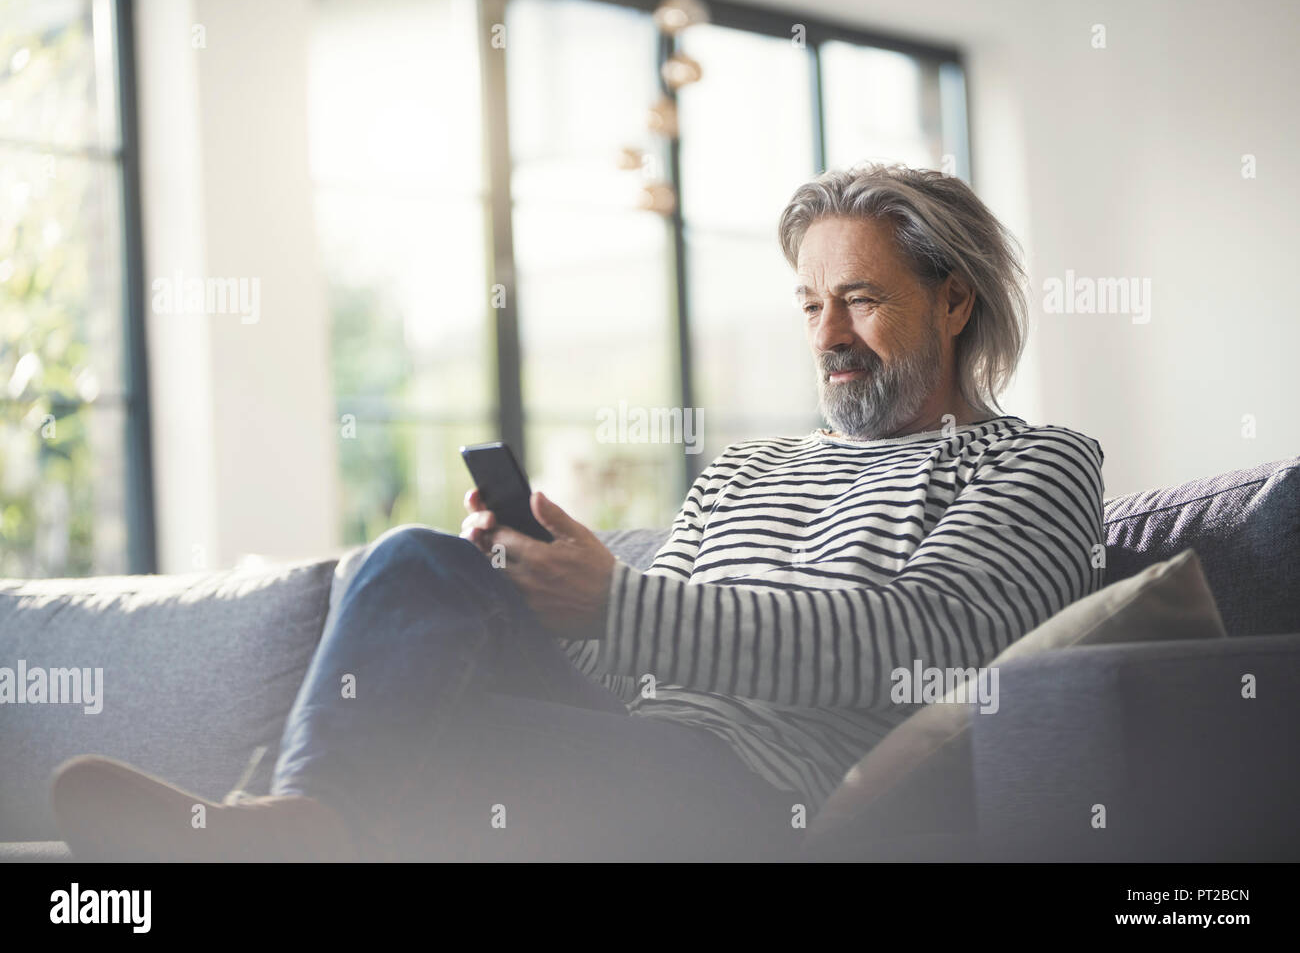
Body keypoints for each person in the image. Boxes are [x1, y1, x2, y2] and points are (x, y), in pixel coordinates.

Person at [51, 163, 1104, 862]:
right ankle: (294, 827)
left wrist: (619, 604)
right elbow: (638, 664)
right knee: (422, 561)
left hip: (754, 794)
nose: (827, 332)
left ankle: (288, 835)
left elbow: (927, 644)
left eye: (860, 299)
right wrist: (546, 594)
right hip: (630, 749)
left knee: (427, 757)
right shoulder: (742, 472)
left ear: (954, 302)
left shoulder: (1031, 465)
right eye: (808, 304)